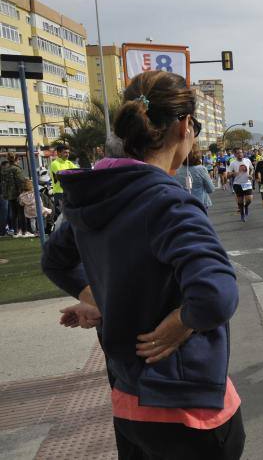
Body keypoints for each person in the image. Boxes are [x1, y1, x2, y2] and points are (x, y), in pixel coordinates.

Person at [40, 70, 245, 459]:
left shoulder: (96, 193)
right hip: (188, 408)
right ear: (184, 126)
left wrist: (102, 299)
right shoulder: (168, 202)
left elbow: (55, 260)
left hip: (129, 403)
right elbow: (216, 295)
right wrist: (180, 322)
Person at [49, 143, 77, 218]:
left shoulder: (69, 163)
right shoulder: (54, 164)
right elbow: (63, 176)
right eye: (65, 152)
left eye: (68, 153)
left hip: (69, 192)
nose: (67, 154)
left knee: (70, 216)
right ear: (58, 153)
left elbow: (78, 172)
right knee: (61, 216)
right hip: (59, 193)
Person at [1, 153, 26, 237]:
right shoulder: (16, 169)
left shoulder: (5, 169)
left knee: (13, 213)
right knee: (21, 213)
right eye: (18, 160)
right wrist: (23, 191)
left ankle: (15, 231)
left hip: (9, 194)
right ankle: (23, 231)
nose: (19, 161)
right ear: (16, 159)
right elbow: (21, 181)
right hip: (18, 193)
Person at [227, 148, 254, 222]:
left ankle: (246, 206)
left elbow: (252, 168)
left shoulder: (247, 160)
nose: (240, 154)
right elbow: (228, 175)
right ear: (235, 154)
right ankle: (242, 215)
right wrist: (233, 173)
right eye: (238, 153)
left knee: (249, 199)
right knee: (240, 201)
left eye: (241, 152)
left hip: (246, 183)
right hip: (237, 184)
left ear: (243, 153)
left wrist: (251, 175)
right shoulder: (233, 163)